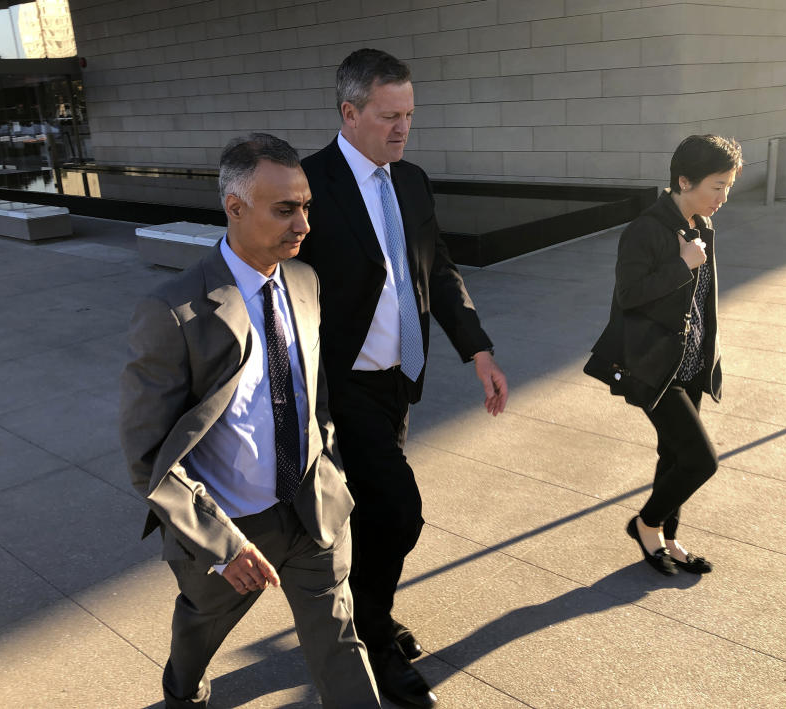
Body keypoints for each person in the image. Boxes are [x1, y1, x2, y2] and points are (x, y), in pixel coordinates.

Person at [119, 133, 380, 709]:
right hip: (229, 529)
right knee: (199, 629)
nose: (303, 223)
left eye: (306, 206)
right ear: (235, 207)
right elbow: (147, 457)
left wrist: (329, 471)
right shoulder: (173, 311)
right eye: (285, 208)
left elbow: (316, 401)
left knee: (340, 642)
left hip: (313, 510)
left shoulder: (307, 283)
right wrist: (219, 543)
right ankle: (182, 693)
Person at [297, 48, 508, 708]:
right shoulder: (308, 184)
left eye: (410, 115)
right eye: (389, 115)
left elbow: (437, 270)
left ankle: (369, 612)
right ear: (349, 112)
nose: (402, 128)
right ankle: (374, 639)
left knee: (377, 510)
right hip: (343, 384)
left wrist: (477, 349)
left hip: (400, 381)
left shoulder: (412, 180)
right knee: (400, 509)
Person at [585, 134, 743, 576]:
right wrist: (684, 264)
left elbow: (701, 302)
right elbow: (630, 296)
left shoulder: (703, 226)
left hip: (690, 363)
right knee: (700, 460)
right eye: (716, 186)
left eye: (728, 186)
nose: (723, 197)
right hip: (655, 365)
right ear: (684, 180)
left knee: (673, 455)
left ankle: (668, 538)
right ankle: (646, 523)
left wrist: (710, 356)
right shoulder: (644, 230)